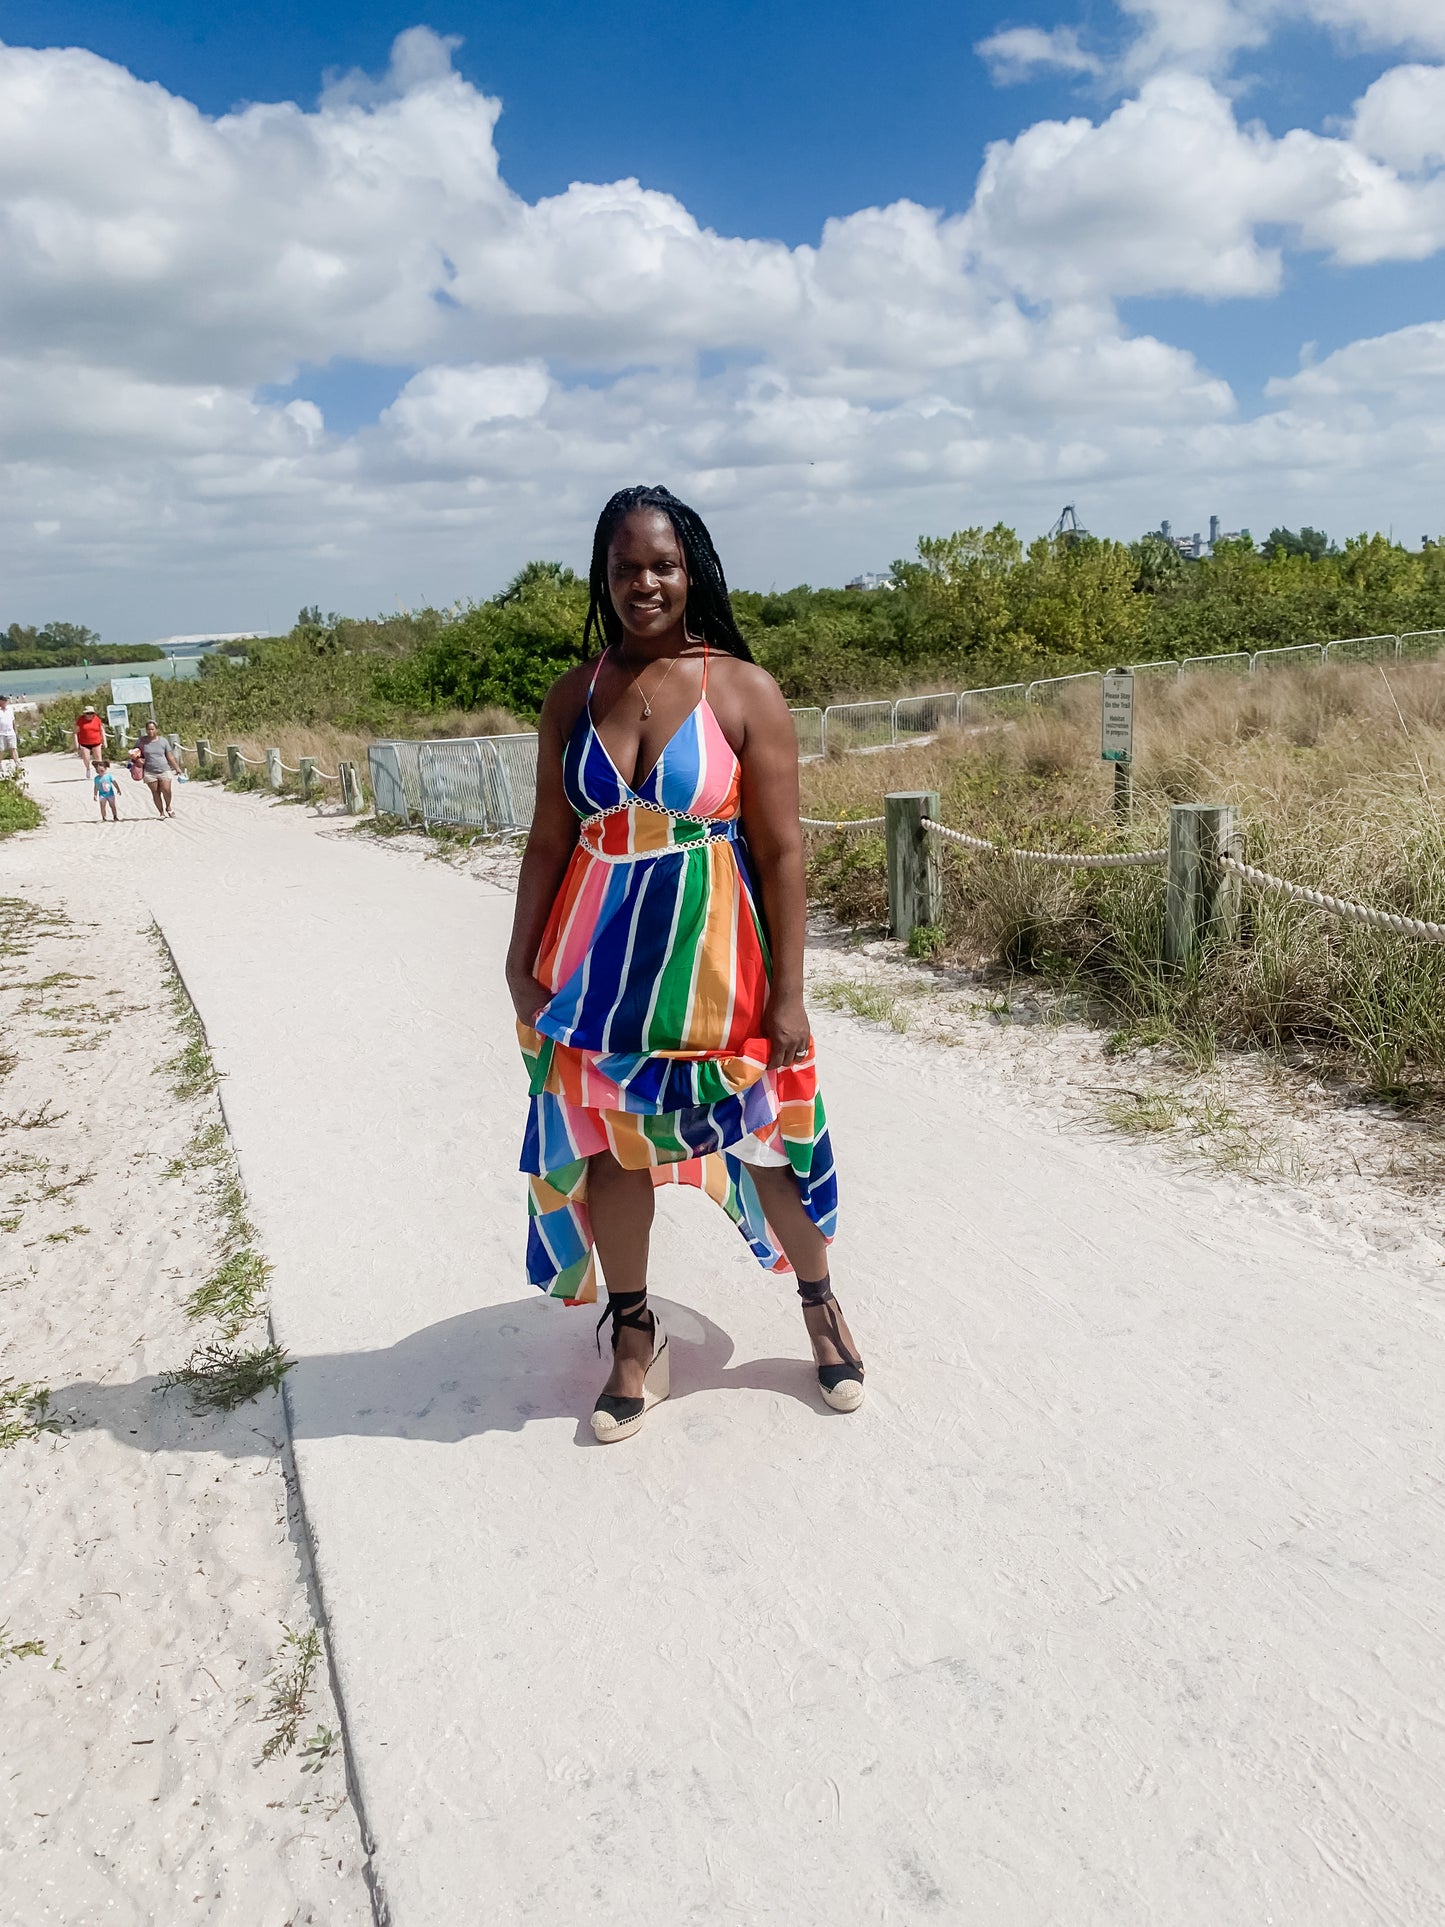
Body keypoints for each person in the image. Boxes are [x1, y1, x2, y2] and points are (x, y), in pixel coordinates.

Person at [507, 485, 864, 1443]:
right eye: (625, 568)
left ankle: (820, 1306)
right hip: (591, 974)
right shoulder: (571, 694)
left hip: (717, 968)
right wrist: (517, 962)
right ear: (605, 576)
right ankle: (632, 1334)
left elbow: (783, 851)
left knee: (762, 1135)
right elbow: (548, 838)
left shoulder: (742, 688)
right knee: (612, 1150)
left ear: (691, 567)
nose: (644, 583)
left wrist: (789, 993)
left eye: (661, 564)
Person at [134, 720, 179, 817]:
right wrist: (138, 760)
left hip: (164, 769)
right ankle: (161, 812)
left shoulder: (163, 741)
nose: (150, 731)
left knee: (166, 790)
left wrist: (177, 768)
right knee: (155, 792)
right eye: (148, 729)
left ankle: (168, 807)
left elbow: (170, 756)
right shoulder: (141, 741)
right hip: (149, 771)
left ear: (156, 730)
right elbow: (134, 753)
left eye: (152, 729)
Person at [73, 705, 106, 775]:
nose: (90, 715)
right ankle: (88, 768)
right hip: (84, 743)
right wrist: (76, 744)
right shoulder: (81, 720)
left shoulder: (97, 719)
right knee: (86, 758)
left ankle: (100, 772)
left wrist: (104, 741)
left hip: (96, 742)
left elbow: (102, 730)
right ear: (85, 714)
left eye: (91, 713)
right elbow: (75, 732)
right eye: (88, 713)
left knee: (98, 758)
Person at [92, 758, 121, 822]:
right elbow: (96, 787)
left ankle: (115, 816)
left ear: (105, 769)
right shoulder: (96, 778)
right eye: (97, 771)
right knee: (102, 806)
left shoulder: (109, 776)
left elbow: (114, 783)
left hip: (110, 794)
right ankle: (104, 817)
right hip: (102, 795)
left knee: (112, 805)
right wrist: (95, 794)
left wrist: (118, 789)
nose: (100, 773)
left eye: (102, 771)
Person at [0, 696, 18, 771]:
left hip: (10, 732)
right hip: (1, 733)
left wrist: (16, 731)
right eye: (3, 701)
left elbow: (13, 721)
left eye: (5, 701)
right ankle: (0, 765)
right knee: (1, 750)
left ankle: (17, 763)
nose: (5, 703)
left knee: (13, 748)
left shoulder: (10, 710)